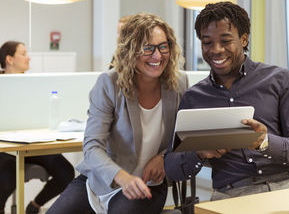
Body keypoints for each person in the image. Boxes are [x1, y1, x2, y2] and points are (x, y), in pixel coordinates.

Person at [164, 1, 289, 201]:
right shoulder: (194, 97)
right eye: (207, 42)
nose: (216, 50)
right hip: (232, 193)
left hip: (287, 186)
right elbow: (171, 167)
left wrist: (265, 142)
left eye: (225, 41)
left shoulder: (281, 80)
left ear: (244, 39)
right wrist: (199, 153)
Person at [47, 12, 188, 214]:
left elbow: (183, 136)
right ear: (131, 50)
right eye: (148, 48)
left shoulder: (179, 84)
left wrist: (164, 158)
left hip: (147, 185)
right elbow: (92, 146)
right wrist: (122, 177)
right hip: (99, 179)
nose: (157, 56)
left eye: (163, 46)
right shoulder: (109, 84)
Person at [0, 41, 75, 214]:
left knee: (66, 172)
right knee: (9, 174)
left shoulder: (31, 84)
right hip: (0, 149)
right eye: (23, 53)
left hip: (30, 145)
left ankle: (35, 206)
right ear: (10, 59)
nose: (28, 57)